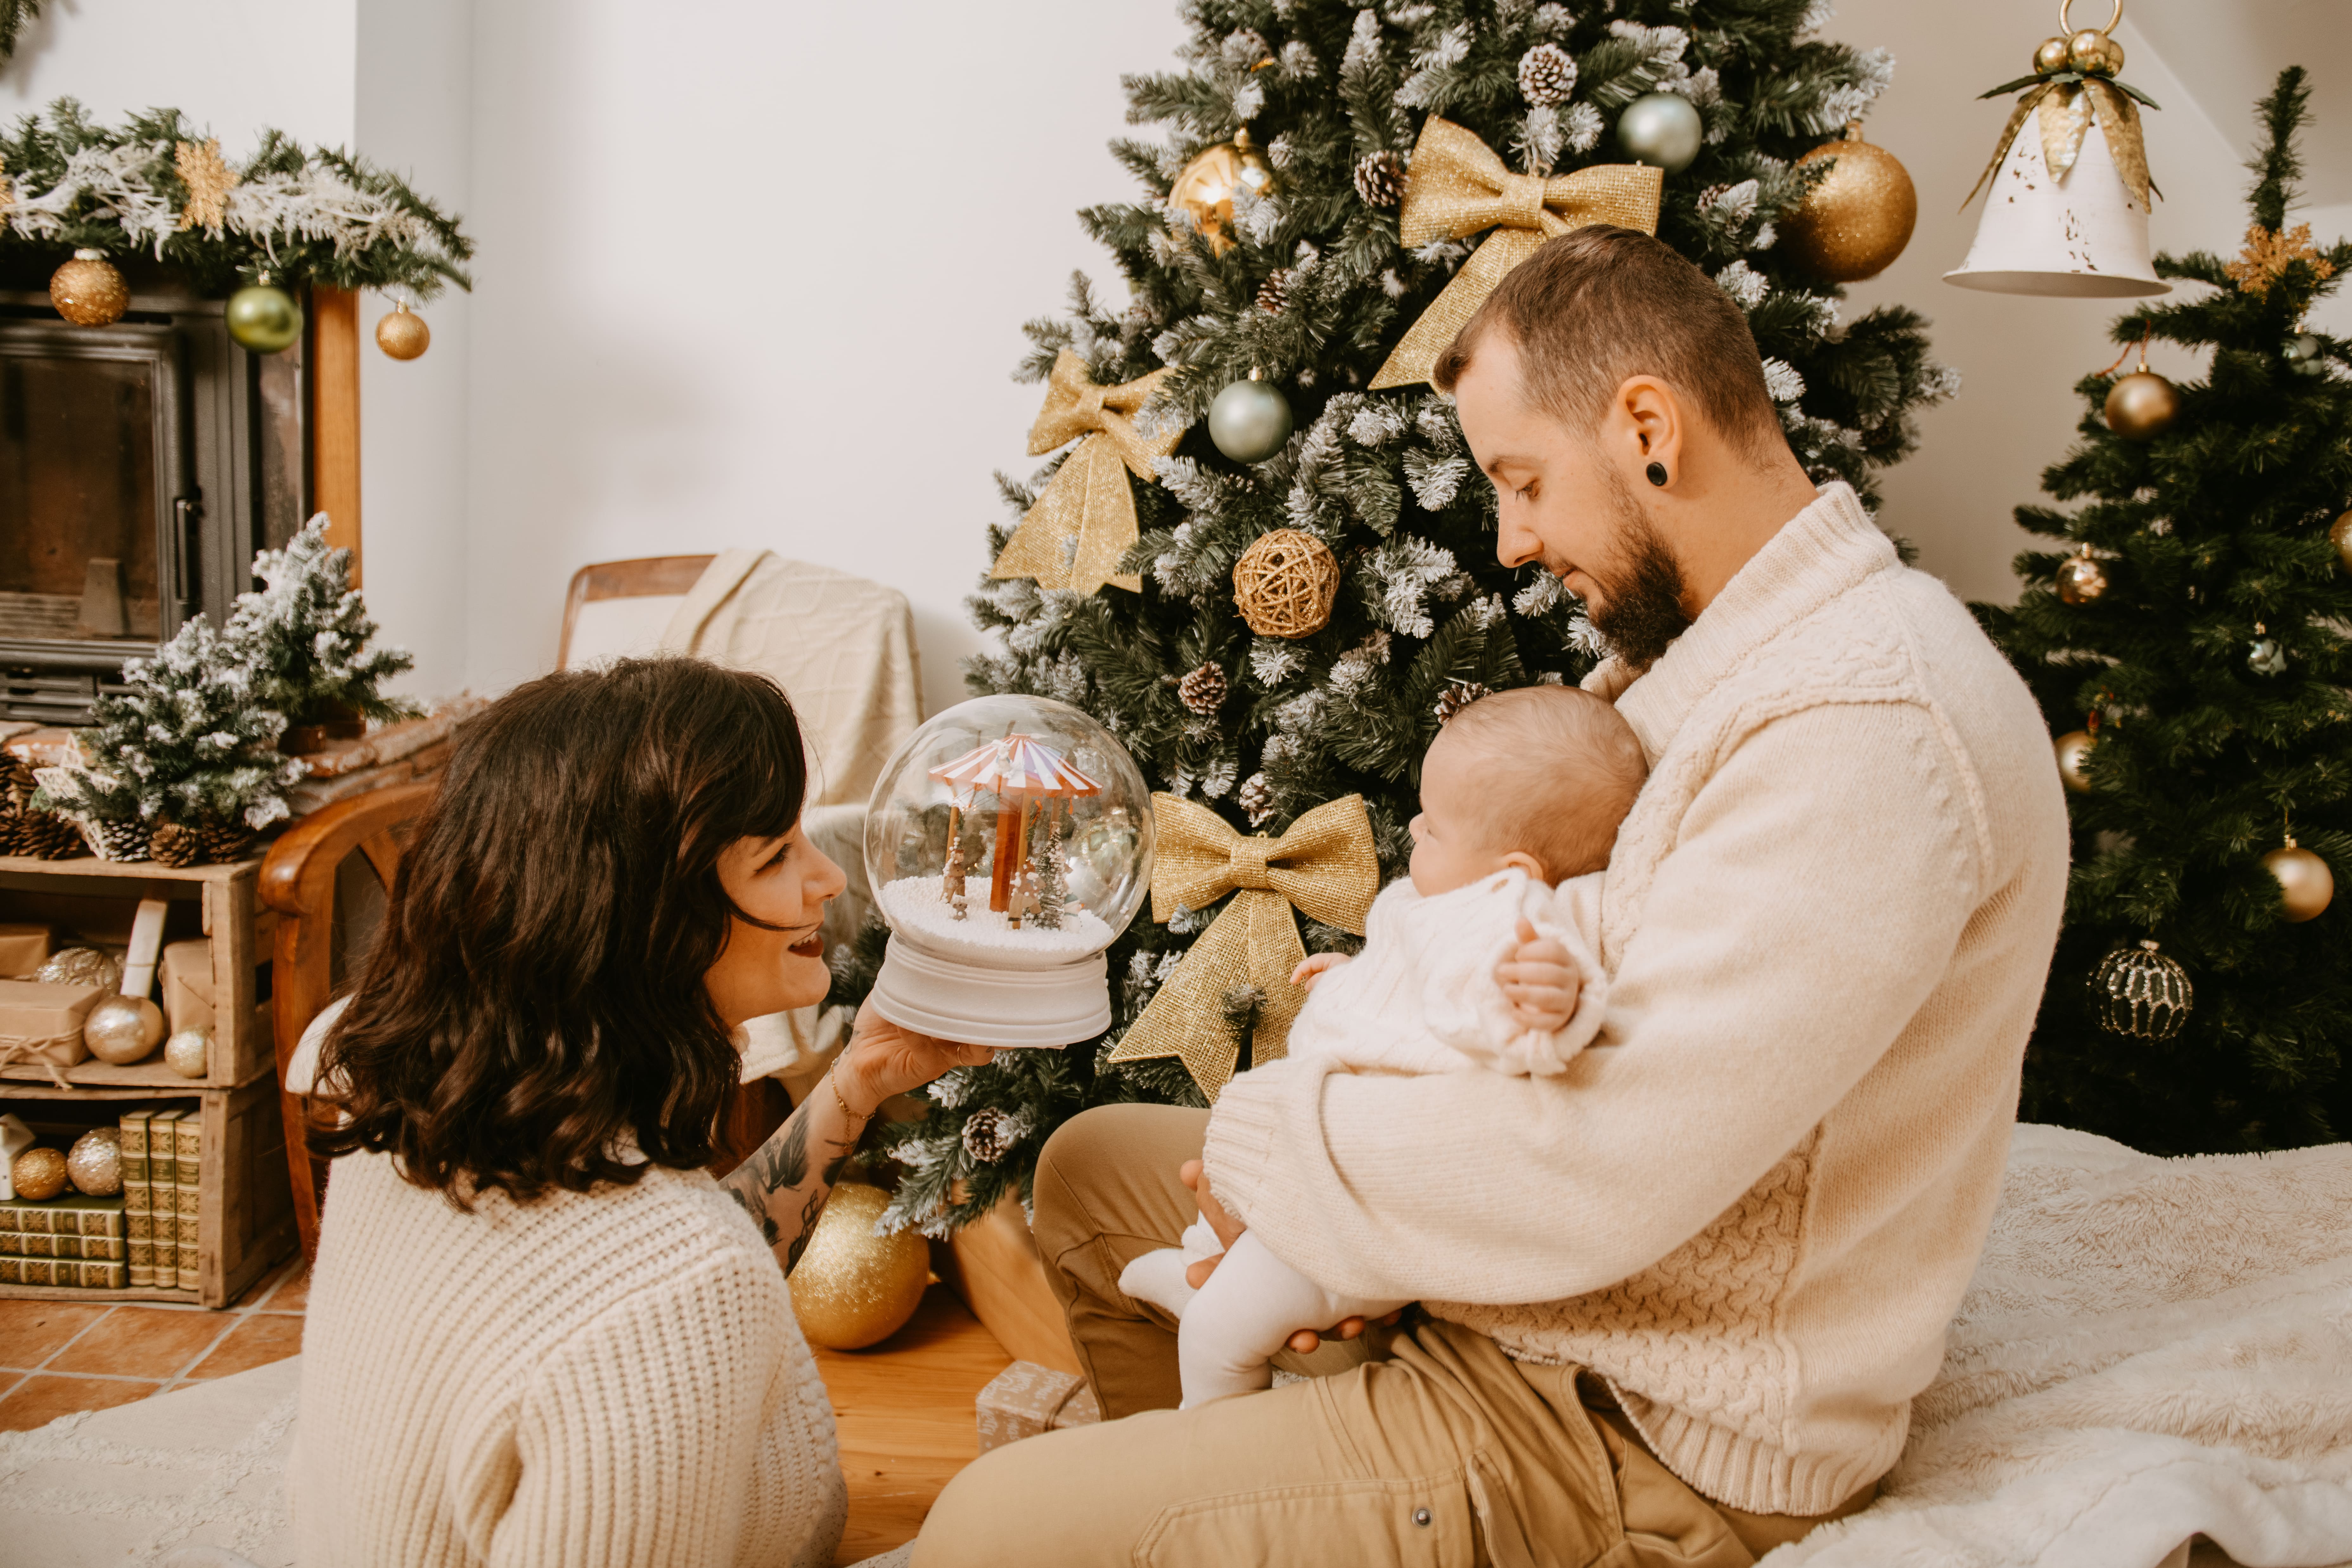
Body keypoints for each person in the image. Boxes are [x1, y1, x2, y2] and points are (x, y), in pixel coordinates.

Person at [916, 225, 2070, 1565]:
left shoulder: (1868, 724)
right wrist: (1336, 1205)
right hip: (1540, 1303)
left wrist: (1286, 1159)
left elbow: (1606, 1166)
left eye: (1521, 480)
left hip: (1630, 1420)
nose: (1514, 539)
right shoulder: (1704, 656)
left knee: (983, 1531)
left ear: (1648, 425)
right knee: (1085, 1170)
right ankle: (1205, 1489)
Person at [291, 657, 990, 1568]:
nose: (826, 877)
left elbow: (639, 1260)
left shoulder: (388, 1077)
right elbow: (666, 1287)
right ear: (642, 920)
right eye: (775, 855)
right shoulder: (678, 1290)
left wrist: (857, 1081)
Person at [1119, 686, 1648, 1407]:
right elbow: (1413, 997)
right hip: (1316, 1161)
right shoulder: (1443, 904)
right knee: (1230, 1237)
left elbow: (1514, 1025)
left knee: (1220, 1330)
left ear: (1511, 872)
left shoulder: (1511, 923)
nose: (1413, 827)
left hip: (1354, 1211)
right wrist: (1354, 980)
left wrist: (1547, 999)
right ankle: (1201, 1271)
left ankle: (1208, 1410)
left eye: (1434, 830)